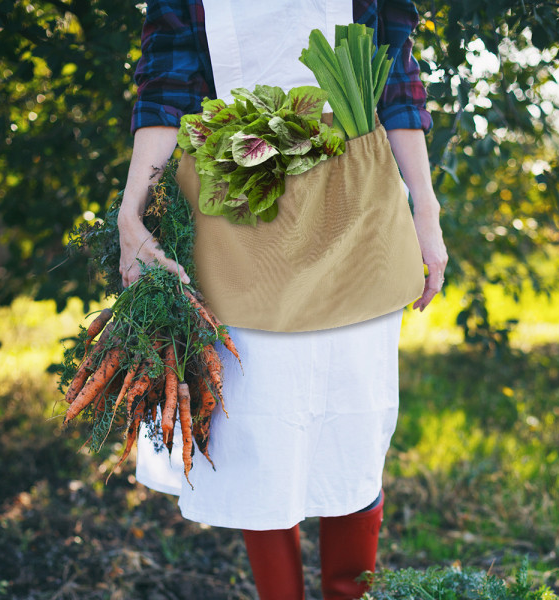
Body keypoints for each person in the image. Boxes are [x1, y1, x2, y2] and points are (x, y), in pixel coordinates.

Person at [118, 1, 448, 598]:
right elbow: (166, 86)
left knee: (354, 424)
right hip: (240, 214)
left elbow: (397, 78)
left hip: (358, 214)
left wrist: (425, 207)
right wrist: (131, 211)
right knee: (259, 436)